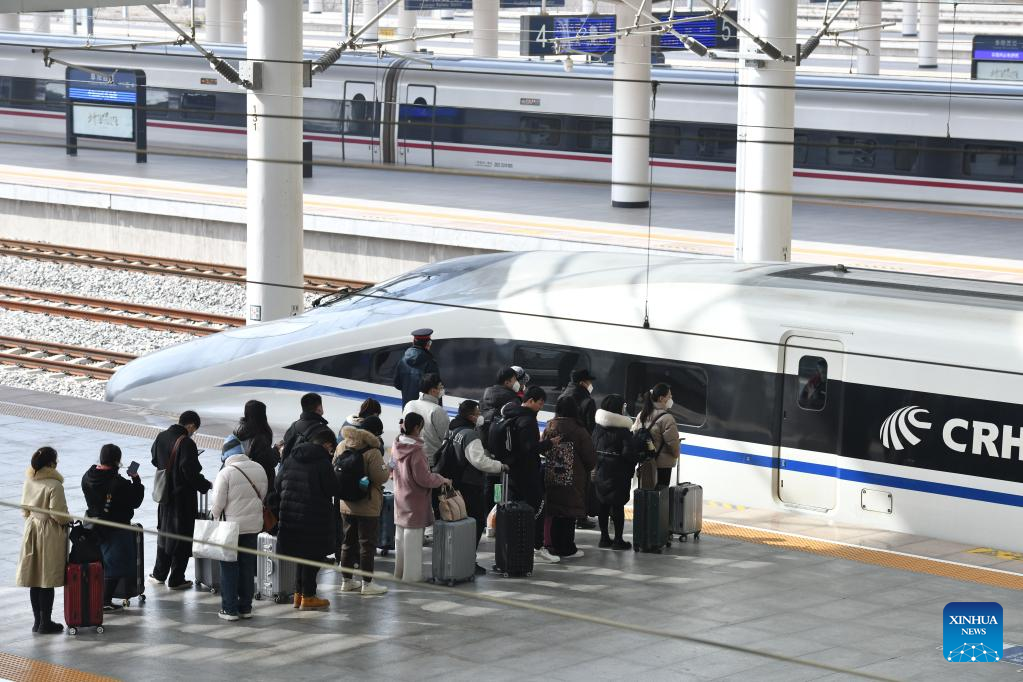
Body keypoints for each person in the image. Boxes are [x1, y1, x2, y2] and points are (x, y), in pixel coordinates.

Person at [271, 425, 340, 610]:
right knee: (312, 557)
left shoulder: (291, 458)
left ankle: (299, 595)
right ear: (327, 445)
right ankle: (308, 596)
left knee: (300, 557)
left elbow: (278, 484)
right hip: (314, 518)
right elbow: (333, 489)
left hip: (290, 515)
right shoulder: (322, 463)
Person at [150, 411, 212, 590]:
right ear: (190, 425)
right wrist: (205, 485)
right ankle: (177, 579)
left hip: (164, 495)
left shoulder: (161, 436)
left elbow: (154, 460)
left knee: (164, 532)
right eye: (194, 430)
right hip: (182, 499)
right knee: (182, 536)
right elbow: (189, 472)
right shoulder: (187, 443)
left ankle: (159, 573)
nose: (193, 433)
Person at [443, 400, 506, 575]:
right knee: (474, 523)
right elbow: (479, 461)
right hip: (470, 484)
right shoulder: (470, 435)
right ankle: (468, 560)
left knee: (458, 522)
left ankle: (456, 559)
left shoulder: (453, 430)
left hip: (454, 483)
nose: (480, 416)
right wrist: (500, 466)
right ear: (471, 416)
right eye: (478, 413)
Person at [502, 386, 561, 565]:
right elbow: (530, 448)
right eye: (540, 403)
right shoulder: (528, 420)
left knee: (514, 510)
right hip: (527, 473)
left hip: (512, 471)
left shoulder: (511, 415)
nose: (541, 407)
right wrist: (549, 443)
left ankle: (514, 546)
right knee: (539, 507)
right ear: (530, 401)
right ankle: (537, 547)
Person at [81, 444, 145, 611]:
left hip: (93, 525)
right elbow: (136, 501)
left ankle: (96, 596)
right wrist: (136, 479)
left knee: (99, 562)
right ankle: (105, 601)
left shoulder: (87, 477)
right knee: (115, 564)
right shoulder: (118, 483)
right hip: (115, 528)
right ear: (117, 461)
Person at [210, 443, 268, 621]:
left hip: (231, 528)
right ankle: (246, 608)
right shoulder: (259, 468)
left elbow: (218, 504)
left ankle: (229, 609)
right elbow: (263, 494)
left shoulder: (226, 473)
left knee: (229, 567)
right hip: (253, 526)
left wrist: (214, 516)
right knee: (247, 567)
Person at [391, 413, 451, 583]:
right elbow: (423, 478)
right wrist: (441, 479)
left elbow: (391, 466)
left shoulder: (397, 444)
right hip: (415, 500)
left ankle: (399, 572)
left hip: (400, 497)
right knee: (413, 540)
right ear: (417, 427)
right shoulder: (416, 451)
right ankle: (412, 576)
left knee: (400, 539)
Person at [16, 447, 68, 635]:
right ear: (51, 463)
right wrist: (68, 520)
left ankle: (37, 622)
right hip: (48, 533)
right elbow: (59, 515)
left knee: (35, 576)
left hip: (31, 528)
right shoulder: (55, 485)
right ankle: (46, 622)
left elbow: (24, 510)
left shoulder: (29, 480)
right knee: (47, 578)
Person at [337, 415, 390, 596]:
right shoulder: (373, 451)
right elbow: (381, 477)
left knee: (347, 542)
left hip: (346, 503)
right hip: (367, 504)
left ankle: (346, 581)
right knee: (367, 545)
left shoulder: (343, 445)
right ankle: (367, 584)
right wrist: (386, 468)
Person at [541, 397, 596, 558]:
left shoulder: (550, 426)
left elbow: (542, 448)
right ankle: (568, 548)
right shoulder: (579, 430)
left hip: (552, 475)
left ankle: (555, 546)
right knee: (569, 513)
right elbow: (590, 458)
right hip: (573, 477)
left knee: (556, 511)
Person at [592, 394, 644, 550]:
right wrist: (639, 456)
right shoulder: (623, 432)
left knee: (603, 505)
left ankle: (604, 538)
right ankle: (618, 540)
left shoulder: (597, 428)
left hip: (600, 471)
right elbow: (629, 454)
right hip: (618, 475)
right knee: (617, 506)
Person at [559, 368, 599, 530]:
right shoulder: (588, 401)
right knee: (582, 484)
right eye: (589, 382)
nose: (590, 385)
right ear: (582, 382)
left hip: (562, 446)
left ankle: (565, 514)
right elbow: (591, 428)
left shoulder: (562, 396)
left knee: (564, 482)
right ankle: (580, 517)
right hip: (580, 447)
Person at [633, 383, 681, 489]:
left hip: (645, 462)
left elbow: (635, 433)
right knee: (660, 494)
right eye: (669, 396)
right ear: (661, 398)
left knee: (645, 491)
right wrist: (676, 454)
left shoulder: (642, 414)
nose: (671, 399)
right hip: (663, 466)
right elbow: (673, 444)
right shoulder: (667, 418)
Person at [226, 400, 279, 490]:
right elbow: (269, 462)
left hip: (240, 477)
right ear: (261, 416)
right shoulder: (260, 437)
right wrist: (276, 450)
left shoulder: (238, 430)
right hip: (258, 482)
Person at [402, 373, 450, 468]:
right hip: (429, 461)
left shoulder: (409, 404)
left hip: (407, 455)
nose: (442, 389)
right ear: (433, 390)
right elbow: (446, 438)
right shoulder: (437, 410)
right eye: (440, 387)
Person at [393, 328, 439, 407]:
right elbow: (436, 389)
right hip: (425, 409)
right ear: (428, 344)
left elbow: (397, 384)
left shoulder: (402, 361)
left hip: (408, 408)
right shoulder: (430, 363)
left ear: (413, 341)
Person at [280, 393, 331, 462]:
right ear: (319, 408)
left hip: (289, 467)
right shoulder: (324, 431)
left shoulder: (293, 426)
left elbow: (285, 451)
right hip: (312, 468)